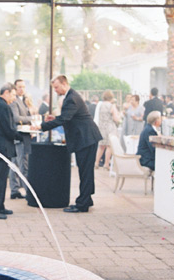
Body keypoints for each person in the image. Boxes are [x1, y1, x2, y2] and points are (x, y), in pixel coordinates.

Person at [40, 75, 102, 213]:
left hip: (86, 138)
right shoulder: (71, 96)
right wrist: (55, 118)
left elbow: (65, 119)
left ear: (64, 84)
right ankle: (87, 198)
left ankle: (82, 204)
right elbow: (67, 117)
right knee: (86, 171)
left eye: (56, 87)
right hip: (86, 138)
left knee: (85, 171)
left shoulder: (71, 98)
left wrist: (41, 126)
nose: (55, 91)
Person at [0, 83, 24, 219]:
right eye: (13, 95)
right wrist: (21, 135)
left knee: (1, 178)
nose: (14, 98)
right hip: (1, 147)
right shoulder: (3, 106)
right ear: (6, 92)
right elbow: (8, 129)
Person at [9, 79, 34, 199]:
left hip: (22, 136)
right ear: (15, 88)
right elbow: (16, 118)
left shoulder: (23, 101)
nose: (22, 89)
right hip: (19, 137)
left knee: (15, 164)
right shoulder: (14, 102)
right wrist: (31, 118)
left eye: (23, 87)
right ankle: (26, 191)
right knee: (22, 164)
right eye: (19, 87)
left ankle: (15, 189)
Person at [94, 90, 122, 171]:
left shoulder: (100, 105)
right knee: (109, 146)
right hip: (110, 127)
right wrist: (119, 118)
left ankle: (96, 162)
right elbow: (116, 118)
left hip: (101, 127)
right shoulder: (111, 106)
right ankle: (106, 164)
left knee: (101, 146)